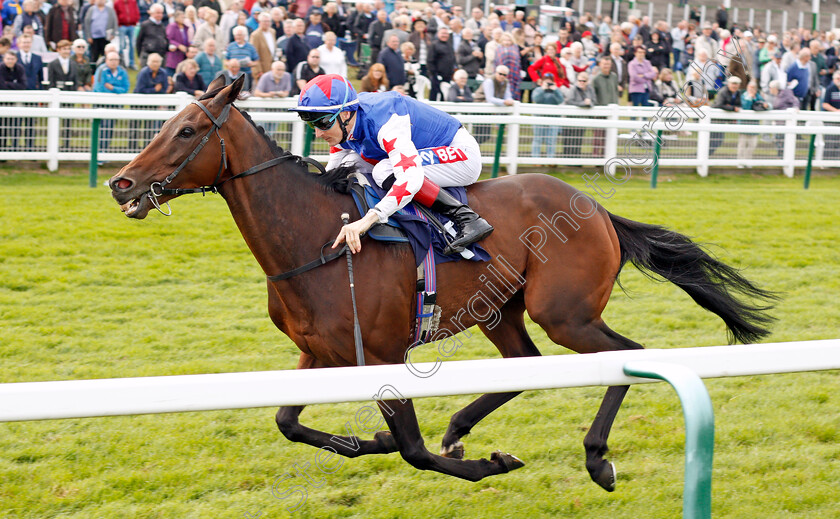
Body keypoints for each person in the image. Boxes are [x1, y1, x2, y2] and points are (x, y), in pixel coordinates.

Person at [290, 74, 493, 255]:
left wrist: (368, 220)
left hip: (461, 154)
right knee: (350, 165)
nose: (317, 133)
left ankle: (467, 218)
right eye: (311, 124)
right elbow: (333, 172)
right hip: (427, 151)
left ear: (345, 114)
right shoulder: (346, 124)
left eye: (323, 123)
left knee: (384, 170)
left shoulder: (386, 123)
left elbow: (409, 178)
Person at [563, 71, 595, 158]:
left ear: (587, 81)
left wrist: (589, 103)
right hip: (570, 119)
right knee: (569, 140)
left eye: (583, 81)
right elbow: (569, 101)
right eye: (579, 80)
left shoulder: (590, 90)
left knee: (578, 140)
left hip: (582, 119)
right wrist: (583, 103)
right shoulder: (573, 89)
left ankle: (576, 159)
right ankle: (567, 160)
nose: (581, 82)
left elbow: (594, 101)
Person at [531, 73, 563, 158]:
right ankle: (535, 159)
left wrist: (555, 90)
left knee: (551, 140)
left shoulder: (556, 90)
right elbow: (536, 99)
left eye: (550, 82)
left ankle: (550, 159)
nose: (548, 84)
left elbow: (560, 100)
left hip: (553, 119)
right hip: (539, 118)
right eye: (546, 81)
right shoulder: (538, 90)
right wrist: (543, 89)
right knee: (538, 139)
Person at [710, 75, 741, 156]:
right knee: (714, 139)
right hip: (715, 120)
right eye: (733, 83)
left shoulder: (738, 93)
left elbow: (739, 104)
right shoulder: (723, 92)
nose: (734, 86)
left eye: (736, 84)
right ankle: (704, 155)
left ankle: (706, 155)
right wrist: (732, 108)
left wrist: (730, 107)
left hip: (723, 120)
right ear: (728, 84)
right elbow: (719, 105)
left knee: (718, 140)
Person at [737, 80, 765, 166]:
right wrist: (750, 98)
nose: (752, 89)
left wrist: (766, 105)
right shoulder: (743, 96)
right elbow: (746, 107)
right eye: (750, 88)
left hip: (754, 126)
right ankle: (740, 162)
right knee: (742, 144)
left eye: (753, 88)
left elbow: (764, 104)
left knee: (752, 145)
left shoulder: (758, 97)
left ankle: (748, 160)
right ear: (747, 88)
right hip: (744, 125)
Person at [427, 26, 456, 101]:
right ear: (438, 34)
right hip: (437, 75)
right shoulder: (434, 45)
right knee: (435, 94)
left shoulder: (449, 45)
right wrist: (434, 74)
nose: (444, 35)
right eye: (443, 33)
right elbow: (430, 60)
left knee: (445, 94)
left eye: (446, 33)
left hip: (447, 76)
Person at [136, 3, 168, 69]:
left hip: (161, 57)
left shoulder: (162, 26)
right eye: (157, 13)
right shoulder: (145, 25)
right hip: (147, 57)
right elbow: (139, 41)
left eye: (161, 13)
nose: (160, 15)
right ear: (152, 13)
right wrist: (140, 56)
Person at [113, 0, 140, 69]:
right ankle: (122, 63)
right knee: (121, 45)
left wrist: (135, 21)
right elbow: (115, 14)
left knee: (132, 45)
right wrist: (118, 24)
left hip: (131, 26)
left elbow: (136, 12)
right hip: (122, 26)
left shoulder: (133, 2)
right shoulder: (117, 3)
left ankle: (132, 63)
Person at [821, 71, 840, 159]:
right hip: (831, 118)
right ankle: (828, 160)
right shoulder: (830, 89)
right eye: (838, 78)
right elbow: (825, 104)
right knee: (830, 140)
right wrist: (836, 111)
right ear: (834, 79)